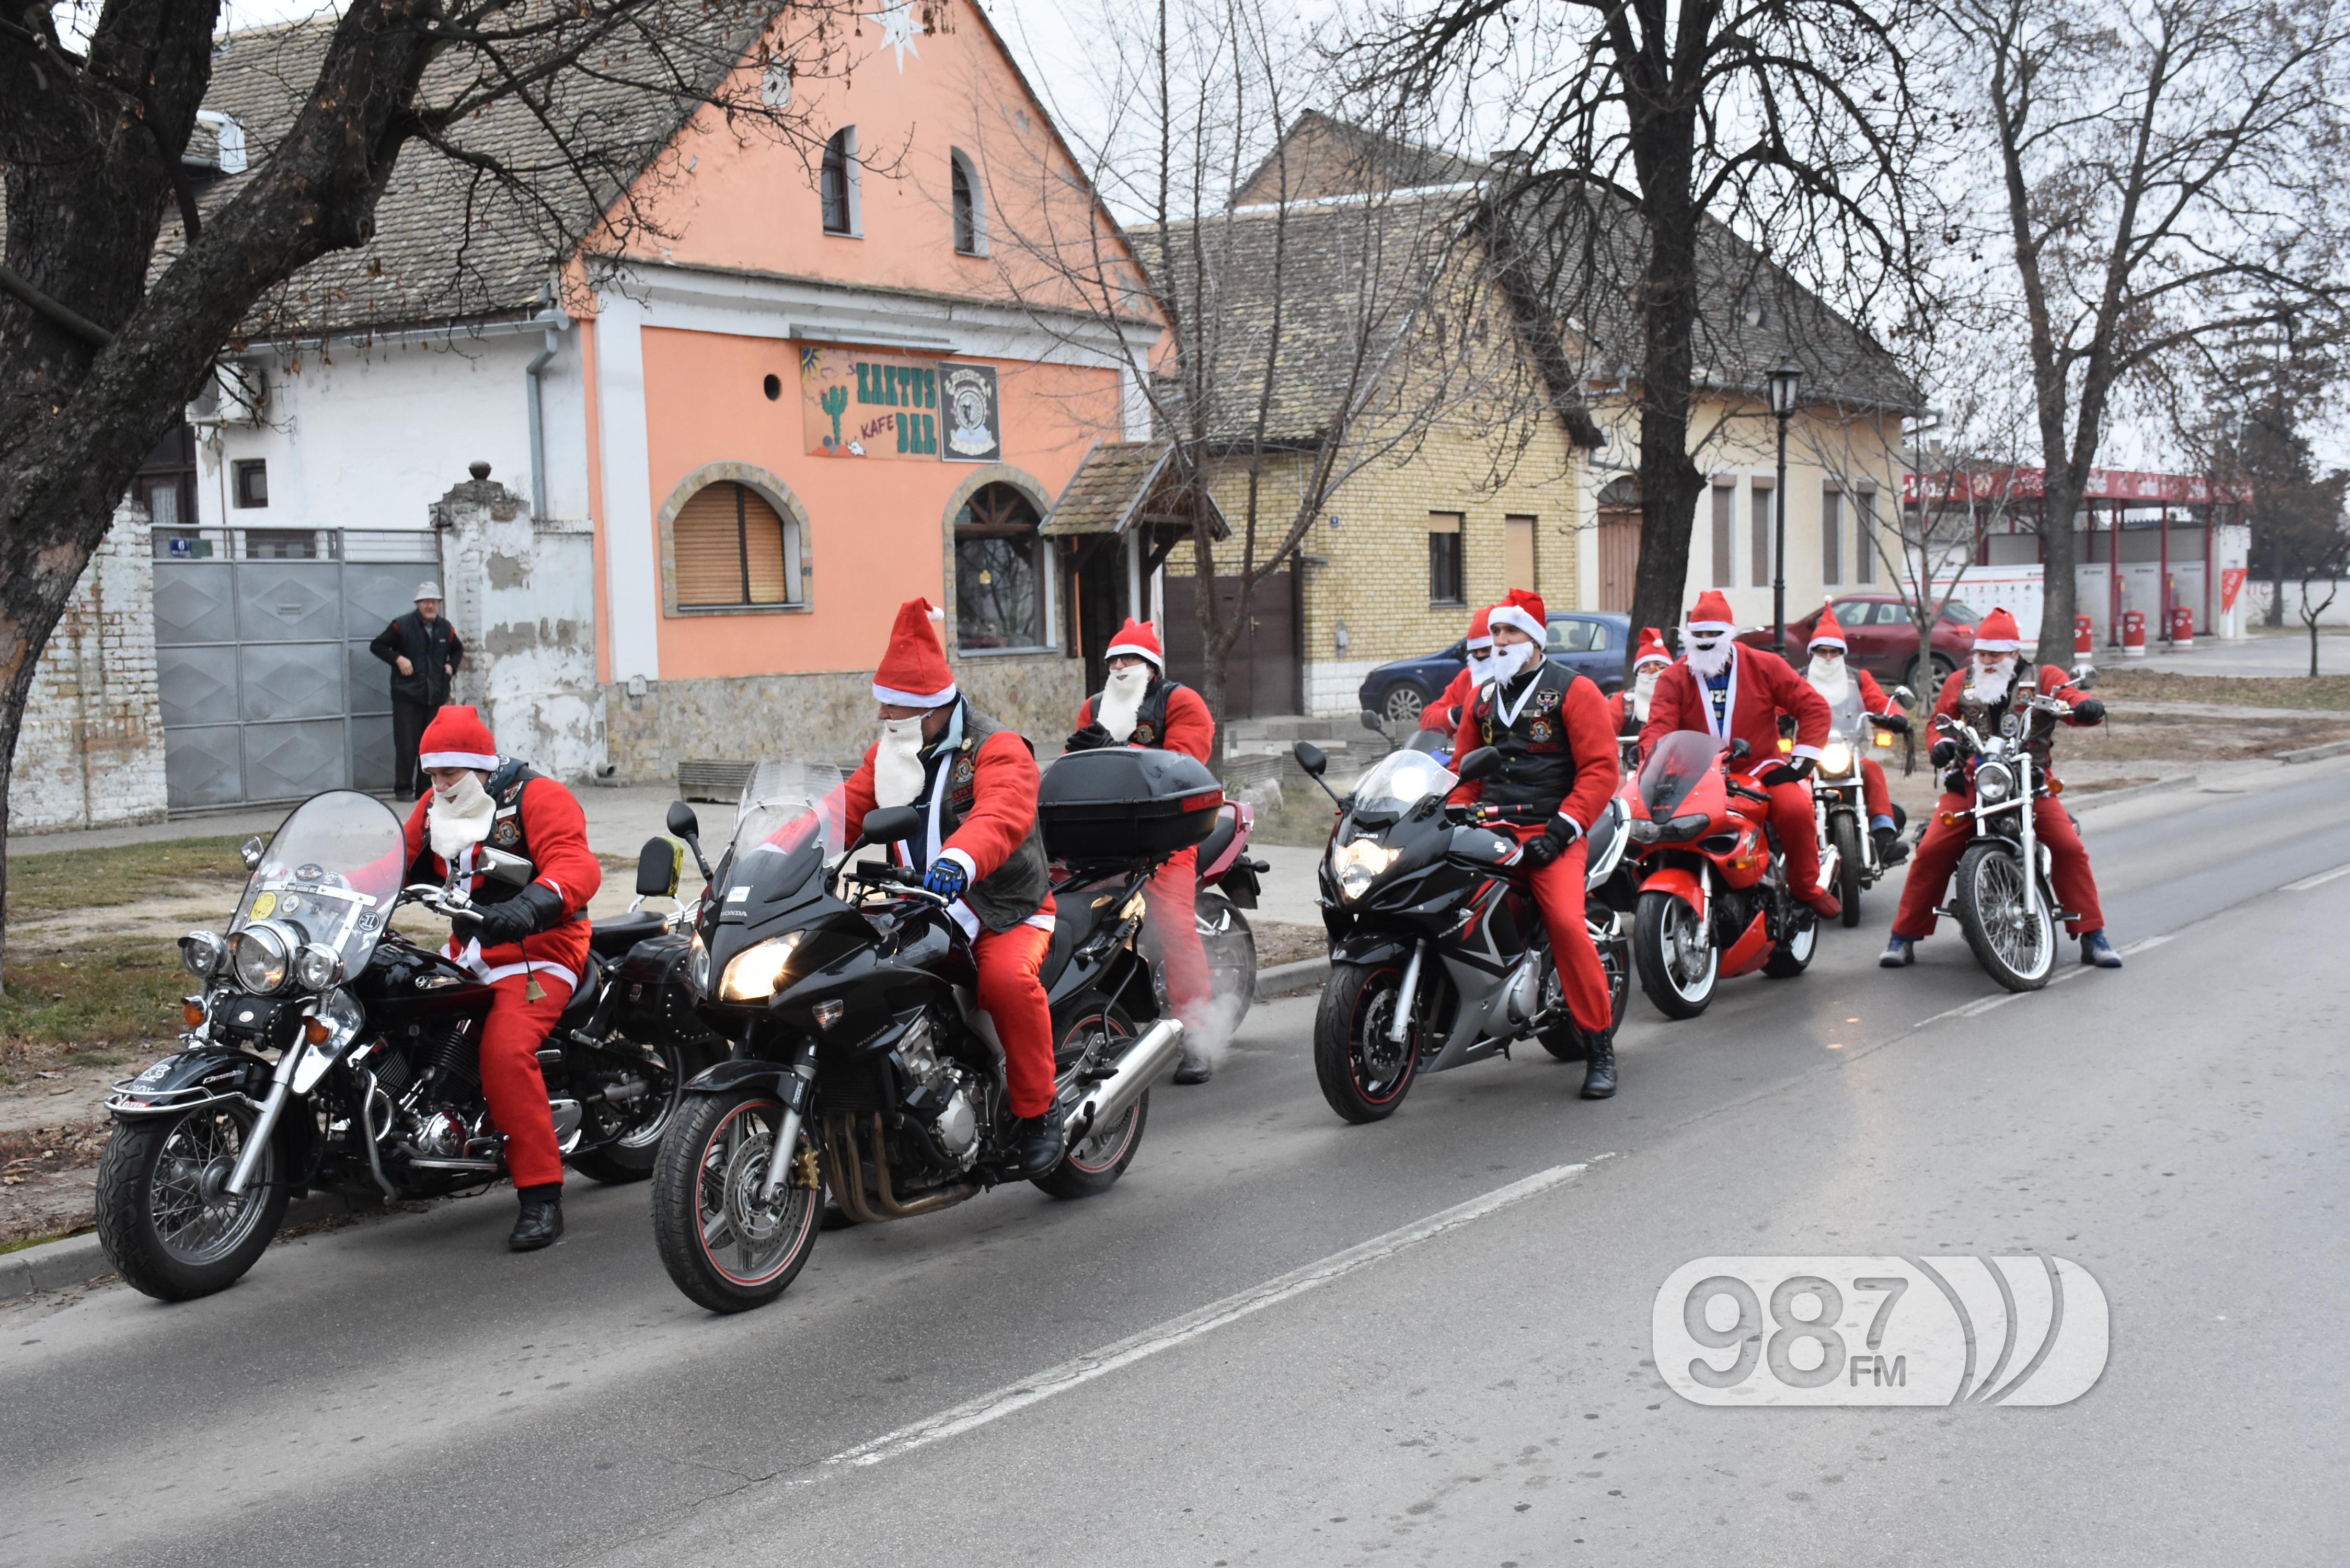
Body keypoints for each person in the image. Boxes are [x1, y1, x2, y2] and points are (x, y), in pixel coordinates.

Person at [841, 597, 1066, 1177]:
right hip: (918, 909)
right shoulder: (889, 756)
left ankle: (1039, 1111)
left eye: (895, 703)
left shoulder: (997, 747)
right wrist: (773, 849)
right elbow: (838, 812)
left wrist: (959, 861)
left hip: (1001, 907)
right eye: (882, 700)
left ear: (930, 707)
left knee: (1005, 982)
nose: (883, 712)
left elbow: (1001, 814)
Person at [399, 705, 599, 1251]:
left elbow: (578, 865)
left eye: (449, 774)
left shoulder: (537, 797)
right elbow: (396, 858)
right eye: (432, 775)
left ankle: (541, 1195)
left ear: (480, 767)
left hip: (540, 949)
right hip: (468, 950)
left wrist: (532, 904)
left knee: (505, 1052)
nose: (439, 786)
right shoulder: (434, 806)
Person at [1447, 589, 1624, 1098]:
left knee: (1566, 924)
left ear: (1535, 639)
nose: (1501, 641)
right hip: (1490, 833)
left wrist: (1562, 831)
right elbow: (1464, 773)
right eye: (1496, 632)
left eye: (1512, 632)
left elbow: (1599, 771)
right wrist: (1451, 811)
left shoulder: (1575, 691)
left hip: (1553, 833)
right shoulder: (1480, 698)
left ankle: (1598, 1046)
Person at [1881, 607, 2119, 969]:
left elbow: (2070, 701)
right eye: (1982, 654)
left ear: (2014, 652)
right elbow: (1938, 723)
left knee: (2068, 846)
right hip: (1973, 781)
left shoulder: (2044, 677)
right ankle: (1903, 937)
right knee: (1931, 850)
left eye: (1995, 654)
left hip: (2029, 784)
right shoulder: (1960, 681)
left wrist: (2087, 707)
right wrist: (1939, 745)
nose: (1987, 661)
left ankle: (2093, 935)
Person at [1065, 617, 1219, 1083]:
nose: (1119, 667)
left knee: (1173, 924)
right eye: (1113, 660)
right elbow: (1078, 772)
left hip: (1166, 835)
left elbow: (1182, 767)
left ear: (1151, 666)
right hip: (1107, 835)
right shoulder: (1094, 707)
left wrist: (1118, 746)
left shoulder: (1181, 702)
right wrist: (1077, 759)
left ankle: (1197, 1036)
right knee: (1069, 913)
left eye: (1129, 659)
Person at [1640, 590, 1841, 919]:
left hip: (1760, 767)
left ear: (1729, 634)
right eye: (1699, 634)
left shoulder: (1764, 665)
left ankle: (1806, 887)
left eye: (1713, 633)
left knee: (1795, 809)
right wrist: (1651, 761)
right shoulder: (1674, 677)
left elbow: (1813, 706)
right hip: (1695, 775)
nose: (1706, 641)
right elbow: (1659, 727)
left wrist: (1800, 764)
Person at [1803, 606, 1912, 865]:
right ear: (1813, 653)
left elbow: (1879, 702)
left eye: (1834, 652)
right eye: (1822, 651)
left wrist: (1895, 717)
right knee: (1798, 789)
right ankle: (1798, 849)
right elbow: (1780, 706)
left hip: (1848, 749)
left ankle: (1884, 837)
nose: (1828, 657)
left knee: (1872, 770)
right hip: (1810, 755)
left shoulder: (1857, 679)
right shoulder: (1799, 680)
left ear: (1843, 654)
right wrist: (1780, 718)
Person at [371, 582, 465, 802]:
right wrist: (398, 659)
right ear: (418, 604)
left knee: (430, 745)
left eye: (434, 602)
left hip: (436, 695)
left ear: (439, 604)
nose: (430, 606)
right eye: (425, 602)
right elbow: (378, 646)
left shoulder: (445, 628)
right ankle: (404, 789)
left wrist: (452, 666)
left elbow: (458, 649)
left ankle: (426, 791)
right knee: (407, 745)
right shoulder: (401, 625)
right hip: (407, 695)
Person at [1429, 605, 1496, 735]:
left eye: (1486, 650)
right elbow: (1429, 719)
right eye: (1475, 651)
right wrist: (1456, 714)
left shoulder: (1518, 676)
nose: (1480, 656)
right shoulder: (1466, 679)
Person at [1611, 627, 1671, 740]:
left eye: (1659, 665)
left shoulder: (1682, 699)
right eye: (1645, 666)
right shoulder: (1624, 702)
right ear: (1637, 673)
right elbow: (1604, 730)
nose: (1652, 670)